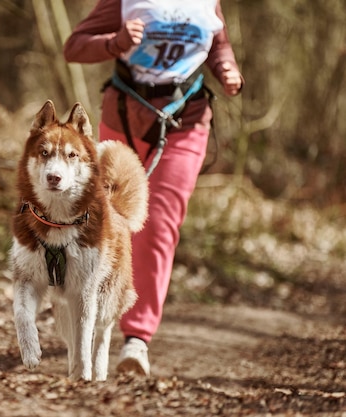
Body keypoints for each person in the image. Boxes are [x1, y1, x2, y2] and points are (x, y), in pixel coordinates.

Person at [63, 0, 243, 376]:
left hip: (186, 118)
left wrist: (226, 68)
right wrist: (115, 42)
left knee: (159, 223)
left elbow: (217, 41)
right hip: (126, 112)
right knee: (104, 221)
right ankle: (87, 309)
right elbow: (74, 46)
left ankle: (137, 338)